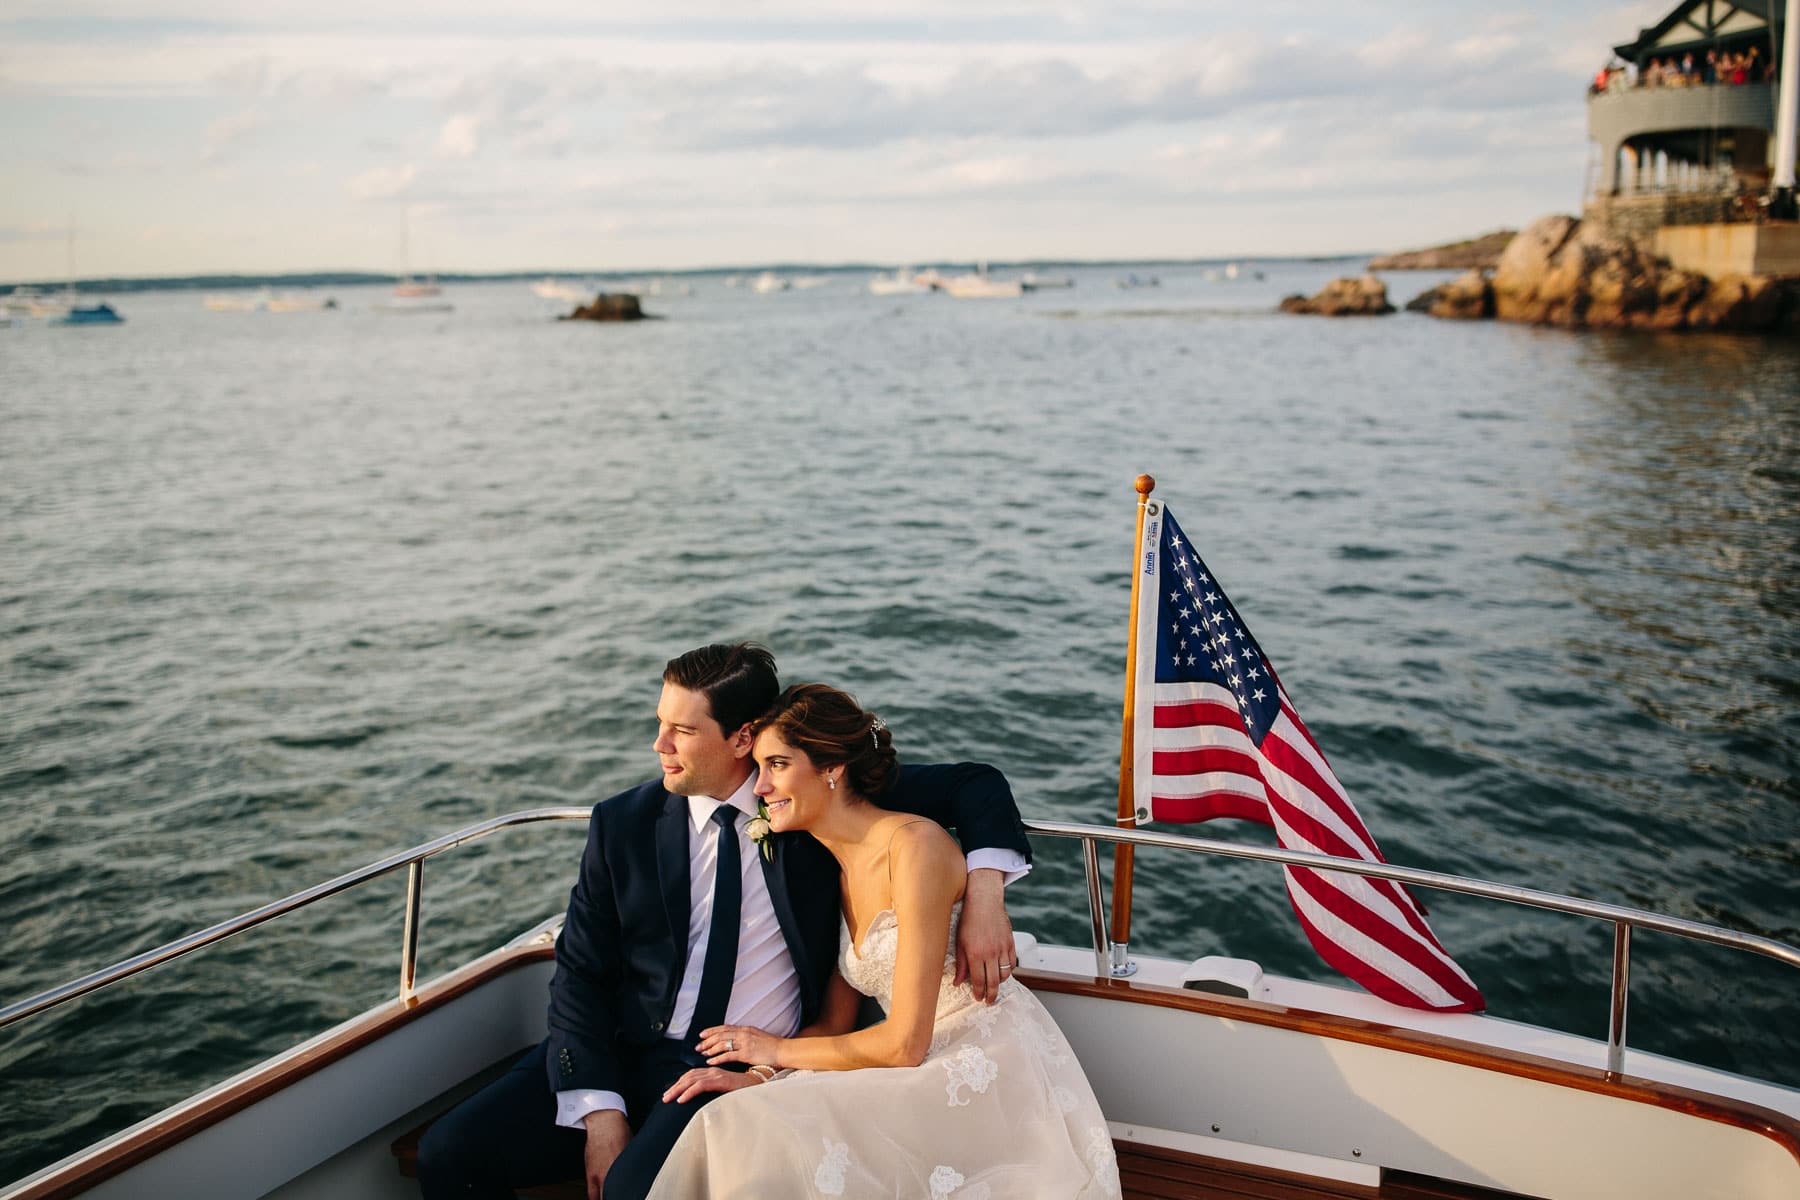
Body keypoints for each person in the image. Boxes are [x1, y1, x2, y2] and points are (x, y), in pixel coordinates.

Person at [416, 644, 1031, 1200]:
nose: (659, 745)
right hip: (622, 1048)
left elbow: (976, 786)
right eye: (661, 723)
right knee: (448, 1154)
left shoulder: (811, 797)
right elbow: (579, 973)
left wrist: (984, 892)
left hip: (738, 1059)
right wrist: (600, 1113)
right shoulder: (622, 824)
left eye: (681, 730)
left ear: (742, 738)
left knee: (635, 1191)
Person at [645, 684, 1120, 1199]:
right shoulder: (831, 865)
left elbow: (905, 1044)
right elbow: (834, 1021)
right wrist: (759, 1073)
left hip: (974, 1057)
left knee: (748, 1131)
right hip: (903, 1058)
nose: (759, 788)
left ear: (832, 767)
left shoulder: (913, 848)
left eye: (777, 765)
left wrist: (774, 1047)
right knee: (728, 1119)